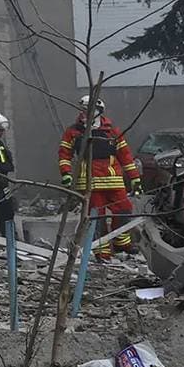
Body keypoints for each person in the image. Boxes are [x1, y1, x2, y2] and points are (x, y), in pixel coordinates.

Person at [55, 95, 141, 261]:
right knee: (96, 217)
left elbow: (125, 156)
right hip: (90, 182)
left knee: (124, 210)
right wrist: (65, 173)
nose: (87, 113)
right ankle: (101, 250)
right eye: (85, 109)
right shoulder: (74, 132)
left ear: (99, 111)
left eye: (91, 110)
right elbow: (64, 154)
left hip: (113, 179)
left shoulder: (112, 131)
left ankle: (121, 242)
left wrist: (134, 178)